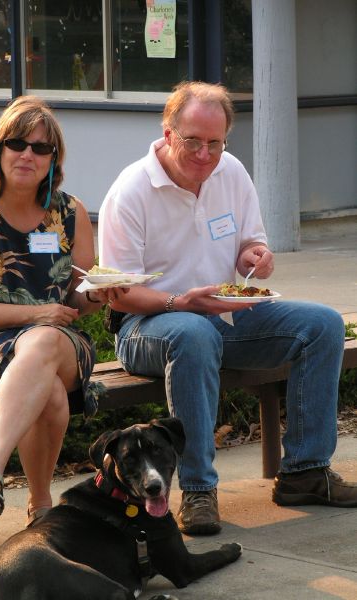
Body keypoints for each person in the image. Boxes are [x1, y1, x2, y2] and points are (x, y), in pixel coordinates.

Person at [98, 81, 357, 536]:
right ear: (168, 132)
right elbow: (118, 294)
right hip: (145, 325)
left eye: (215, 143)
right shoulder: (131, 191)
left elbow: (249, 244)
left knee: (322, 325)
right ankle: (199, 489)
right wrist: (180, 302)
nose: (204, 154)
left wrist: (256, 256)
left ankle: (305, 472)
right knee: (193, 333)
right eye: (192, 141)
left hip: (222, 316)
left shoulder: (231, 171)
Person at [0, 95, 128, 526]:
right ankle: (41, 507)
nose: (27, 155)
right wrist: (35, 316)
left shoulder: (70, 212)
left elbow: (76, 300)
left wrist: (99, 295)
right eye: (17, 143)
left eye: (40, 148)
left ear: (54, 158)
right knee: (49, 388)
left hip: (59, 343)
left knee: (45, 342)